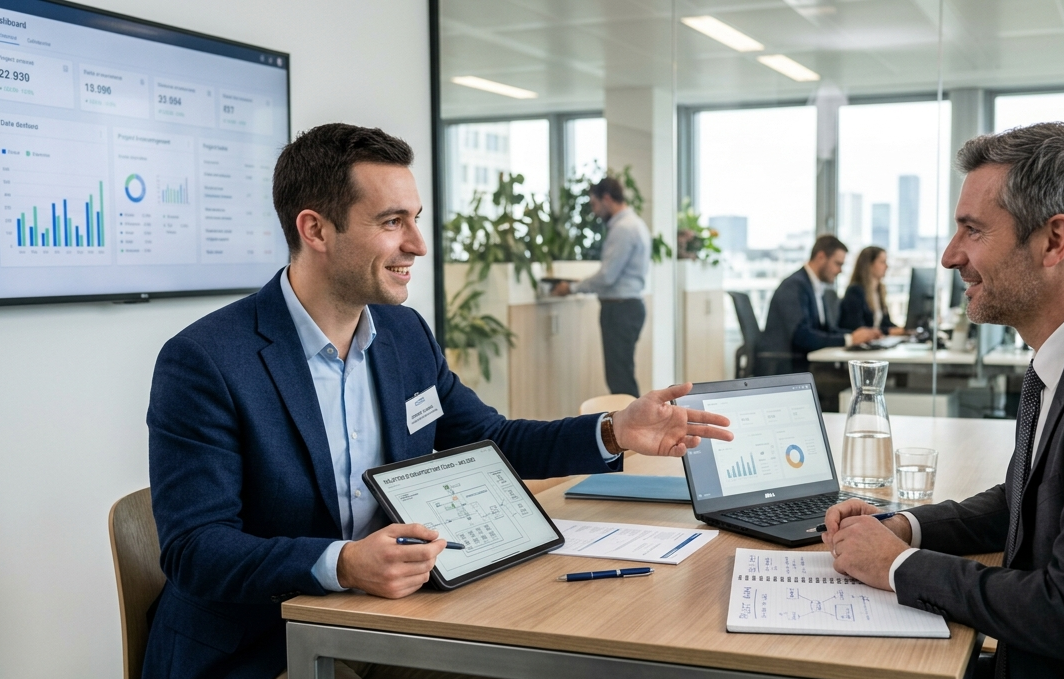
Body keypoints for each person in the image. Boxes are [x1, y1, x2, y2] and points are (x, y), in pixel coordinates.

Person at [143, 124, 731, 679]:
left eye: (416, 219)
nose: (418, 245)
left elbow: (491, 439)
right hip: (266, 645)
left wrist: (612, 431)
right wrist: (343, 562)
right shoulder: (207, 360)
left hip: (394, 621)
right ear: (315, 230)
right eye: (392, 221)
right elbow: (197, 548)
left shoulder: (402, 335)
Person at [821, 122, 1064, 678]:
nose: (952, 256)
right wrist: (904, 527)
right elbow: (1028, 497)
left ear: (1054, 240)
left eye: (973, 231)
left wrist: (899, 566)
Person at [551, 177, 650, 397]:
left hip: (620, 310)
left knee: (620, 380)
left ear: (606, 198)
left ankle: (633, 429)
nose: (594, 211)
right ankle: (633, 427)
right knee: (622, 374)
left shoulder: (623, 228)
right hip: (628, 307)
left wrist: (572, 288)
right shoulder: (636, 224)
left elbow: (607, 276)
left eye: (594, 204)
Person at [756, 235, 881, 410]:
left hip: (805, 366)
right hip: (789, 369)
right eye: (838, 264)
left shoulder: (813, 286)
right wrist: (849, 340)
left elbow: (824, 330)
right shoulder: (794, 287)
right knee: (862, 384)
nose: (840, 270)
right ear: (821, 257)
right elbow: (802, 336)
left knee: (863, 380)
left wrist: (853, 336)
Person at [838, 246, 908, 335]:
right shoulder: (855, 291)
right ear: (869, 265)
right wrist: (888, 331)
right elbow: (857, 327)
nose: (886, 266)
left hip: (875, 342)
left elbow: (886, 323)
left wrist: (903, 329)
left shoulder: (879, 291)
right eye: (882, 262)